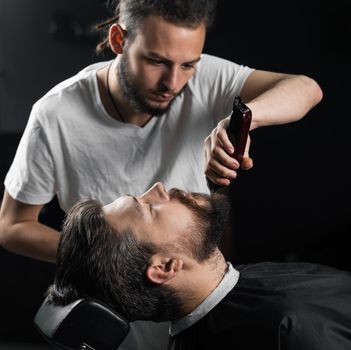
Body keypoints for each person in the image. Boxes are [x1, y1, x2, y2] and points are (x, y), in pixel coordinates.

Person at [0, 1, 322, 348]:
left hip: (198, 309)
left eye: (188, 65)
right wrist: (107, 255)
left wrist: (243, 117)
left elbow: (307, 88)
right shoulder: (55, 115)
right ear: (118, 40)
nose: (173, 82)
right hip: (114, 318)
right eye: (156, 61)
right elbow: (12, 225)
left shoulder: (205, 76)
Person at [49, 182, 351, 350]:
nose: (159, 187)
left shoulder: (238, 291)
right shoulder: (287, 330)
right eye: (148, 207)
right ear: (168, 266)